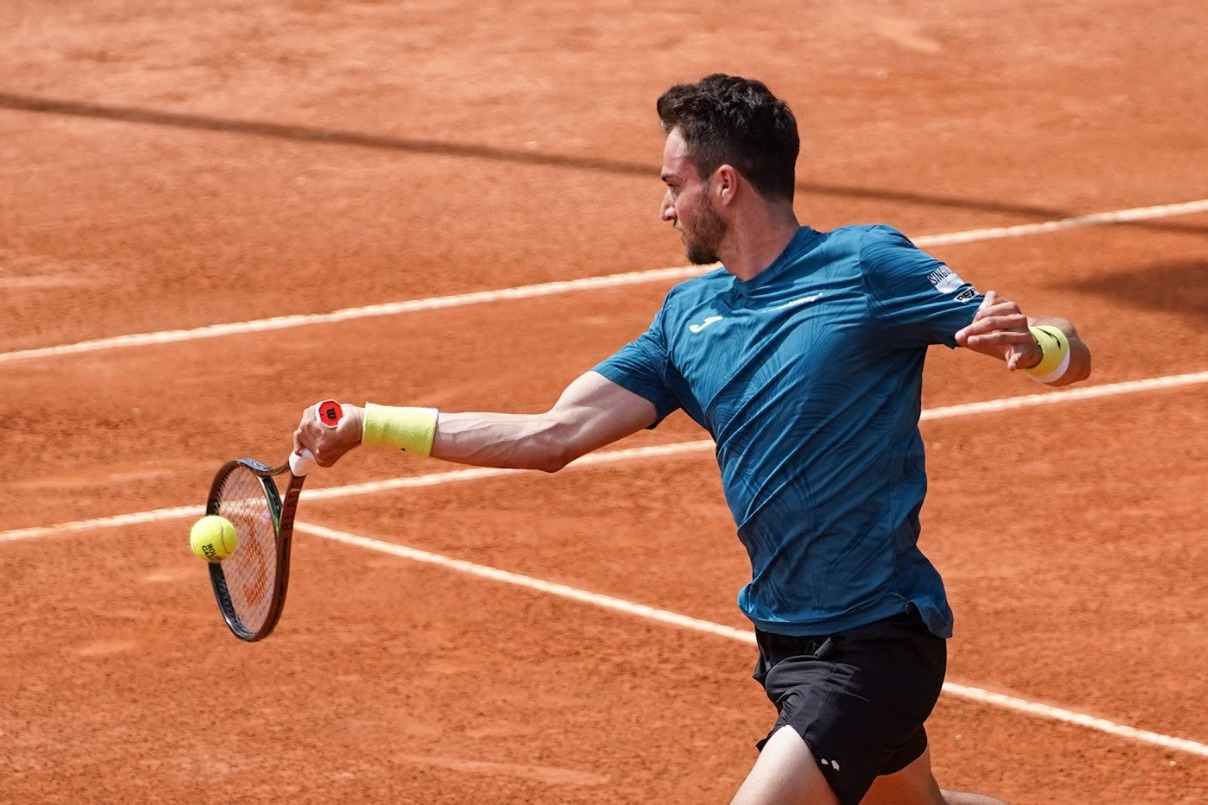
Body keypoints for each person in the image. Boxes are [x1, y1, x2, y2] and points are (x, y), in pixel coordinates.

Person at [294, 74, 1091, 805]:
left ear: (724, 184)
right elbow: (551, 434)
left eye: (672, 185)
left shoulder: (865, 265)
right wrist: (370, 421)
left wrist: (1038, 348)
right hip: (785, 641)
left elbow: (1066, 346)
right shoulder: (686, 319)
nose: (665, 208)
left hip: (875, 640)